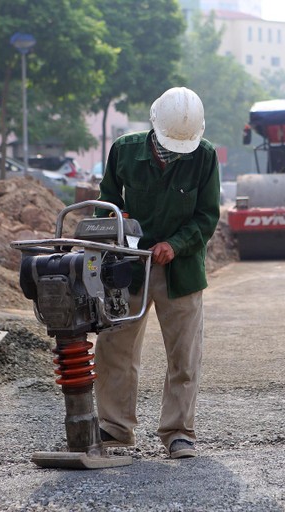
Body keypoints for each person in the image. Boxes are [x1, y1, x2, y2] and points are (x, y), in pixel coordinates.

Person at [93, 87, 221, 459]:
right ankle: (115, 428)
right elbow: (107, 204)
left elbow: (207, 216)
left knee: (184, 354)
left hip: (179, 270)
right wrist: (119, 225)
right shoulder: (124, 151)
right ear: (155, 127)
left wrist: (175, 245)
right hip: (127, 268)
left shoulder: (205, 157)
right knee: (115, 347)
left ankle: (179, 432)